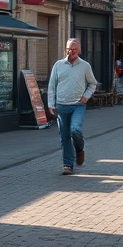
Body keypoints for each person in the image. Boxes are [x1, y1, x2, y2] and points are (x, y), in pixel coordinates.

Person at [47, 38, 98, 175]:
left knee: (75, 129)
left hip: (78, 105)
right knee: (64, 136)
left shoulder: (85, 66)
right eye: (70, 49)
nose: (72, 51)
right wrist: (51, 104)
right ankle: (68, 165)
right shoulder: (58, 65)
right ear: (66, 49)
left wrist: (86, 96)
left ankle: (80, 149)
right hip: (61, 106)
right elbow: (52, 85)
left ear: (79, 50)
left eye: (75, 49)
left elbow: (92, 83)